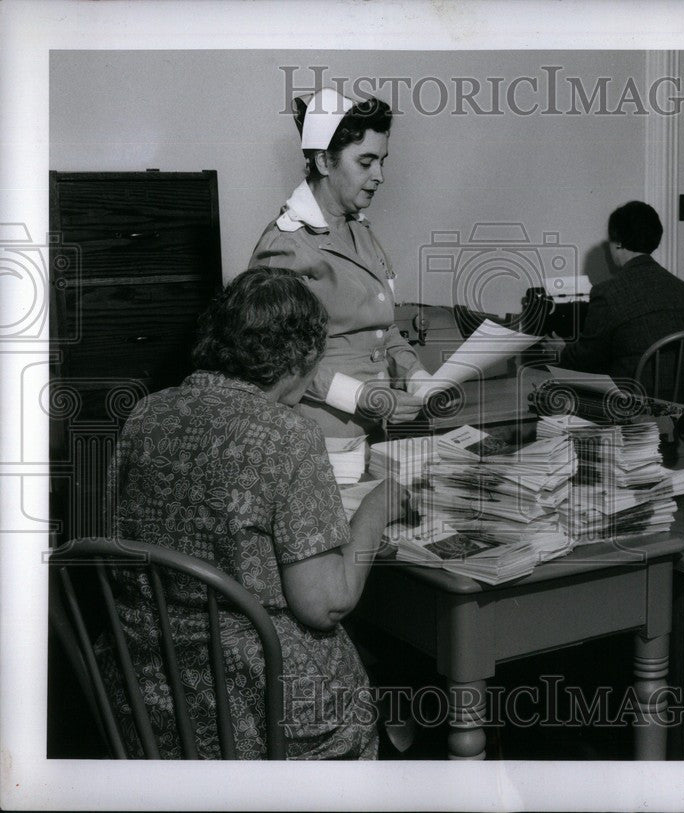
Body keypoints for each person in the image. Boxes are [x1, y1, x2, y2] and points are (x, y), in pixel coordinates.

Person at [104, 267, 410, 759]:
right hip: (255, 711)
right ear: (306, 355)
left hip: (152, 701)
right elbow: (325, 602)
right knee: (394, 681)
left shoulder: (147, 413)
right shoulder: (286, 433)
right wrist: (376, 509)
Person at [250, 87, 426, 439]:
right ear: (323, 162)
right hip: (316, 437)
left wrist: (418, 377)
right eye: (365, 162)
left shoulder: (359, 231)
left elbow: (382, 327)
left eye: (382, 161)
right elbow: (275, 356)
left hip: (377, 427)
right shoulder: (285, 244)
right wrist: (362, 396)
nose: (379, 175)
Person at [548, 201, 684, 400]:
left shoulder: (608, 292)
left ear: (619, 242)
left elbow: (585, 360)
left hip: (637, 402)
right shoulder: (682, 288)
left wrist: (562, 351)